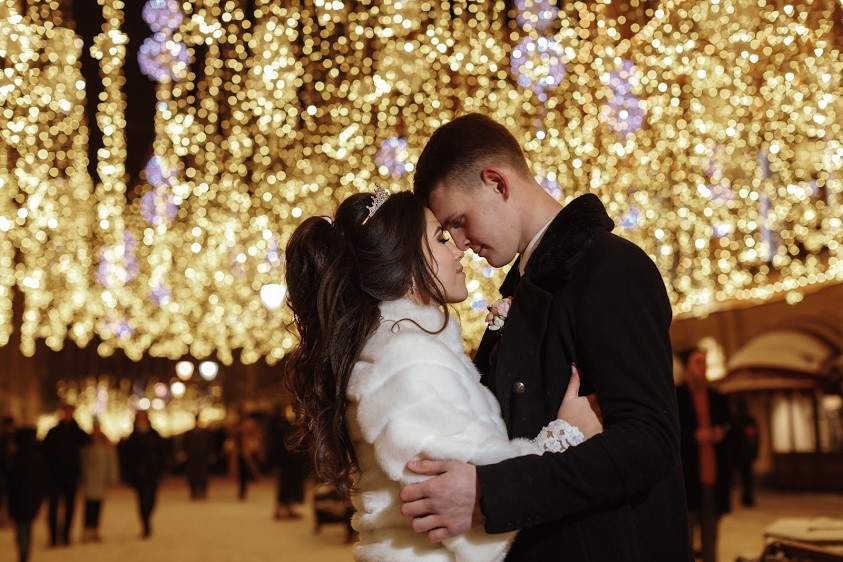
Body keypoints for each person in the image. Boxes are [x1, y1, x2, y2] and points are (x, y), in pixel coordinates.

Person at [402, 113, 692, 561]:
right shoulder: (526, 285)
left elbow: (650, 440)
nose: (459, 243)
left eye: (459, 221)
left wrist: (490, 494)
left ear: (497, 183)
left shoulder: (609, 268)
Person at [284, 190, 602, 560]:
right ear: (406, 263)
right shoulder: (409, 360)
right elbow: (472, 509)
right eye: (440, 238)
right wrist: (565, 435)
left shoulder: (391, 349)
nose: (458, 250)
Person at [676, 347, 733, 562]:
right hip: (688, 476)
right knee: (685, 534)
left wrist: (721, 432)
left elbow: (731, 427)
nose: (703, 367)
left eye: (704, 362)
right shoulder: (677, 396)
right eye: (698, 362)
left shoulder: (717, 397)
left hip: (713, 476)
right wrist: (693, 436)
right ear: (687, 368)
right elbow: (672, 432)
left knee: (711, 532)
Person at [42, 402, 90, 547]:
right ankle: (53, 537)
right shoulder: (54, 432)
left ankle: (66, 536)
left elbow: (88, 443)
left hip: (71, 475)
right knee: (53, 507)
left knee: (70, 507)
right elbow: (45, 451)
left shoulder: (77, 432)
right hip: (54, 475)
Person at [121, 410, 165, 538]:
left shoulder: (154, 435)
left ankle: (147, 517)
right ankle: (145, 524)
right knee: (141, 500)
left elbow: (161, 454)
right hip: (138, 474)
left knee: (151, 500)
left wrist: (161, 470)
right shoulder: (132, 437)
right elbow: (127, 457)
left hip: (152, 473)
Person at [7, 427, 47, 562]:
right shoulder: (36, 457)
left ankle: (23, 551)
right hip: (30, 498)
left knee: (22, 527)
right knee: (26, 526)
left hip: (18, 498)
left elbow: (11, 480)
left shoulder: (16, 457)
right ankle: (24, 551)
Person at [79, 419, 119, 542]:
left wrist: (112, 476)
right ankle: (87, 530)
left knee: (97, 506)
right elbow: (82, 460)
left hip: (101, 479)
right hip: (90, 479)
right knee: (89, 506)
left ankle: (95, 529)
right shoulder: (86, 442)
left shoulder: (106, 442)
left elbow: (111, 460)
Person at [266, 403, 307, 519]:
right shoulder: (279, 425)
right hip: (286, 460)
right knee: (285, 484)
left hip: (283, 460)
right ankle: (281, 510)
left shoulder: (274, 425)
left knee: (285, 484)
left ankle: (286, 509)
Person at [733, 398, 759, 507]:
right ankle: (747, 497)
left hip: (742, 454)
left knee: (745, 477)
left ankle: (747, 497)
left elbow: (753, 438)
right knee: (746, 477)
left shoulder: (738, 420)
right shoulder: (746, 420)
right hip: (745, 454)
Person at [183, 414, 211, 500]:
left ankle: (202, 491)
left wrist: (210, 454)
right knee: (192, 475)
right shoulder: (189, 434)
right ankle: (193, 491)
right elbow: (185, 444)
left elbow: (209, 445)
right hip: (192, 457)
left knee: (202, 474)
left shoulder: (204, 433)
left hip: (202, 457)